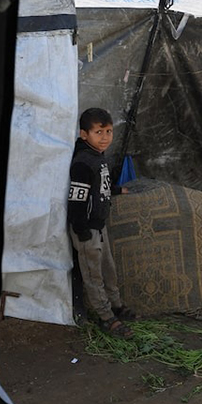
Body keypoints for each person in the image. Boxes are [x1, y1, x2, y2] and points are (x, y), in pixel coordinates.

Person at [68, 107, 135, 337]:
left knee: (109, 269)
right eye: (99, 132)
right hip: (86, 229)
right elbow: (77, 200)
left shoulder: (97, 156)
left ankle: (116, 306)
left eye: (109, 131)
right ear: (84, 134)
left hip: (99, 225)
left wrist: (116, 190)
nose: (105, 137)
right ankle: (106, 317)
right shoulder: (82, 163)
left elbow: (99, 188)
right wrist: (81, 229)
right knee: (93, 275)